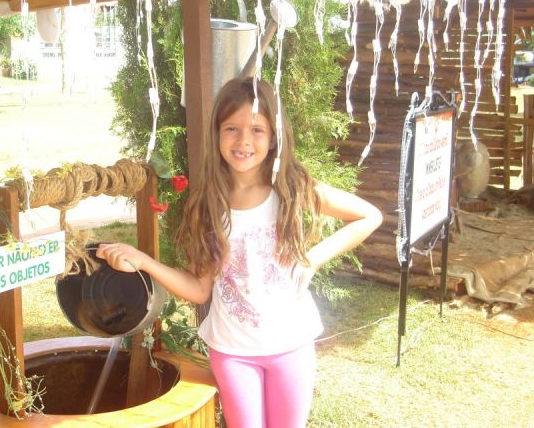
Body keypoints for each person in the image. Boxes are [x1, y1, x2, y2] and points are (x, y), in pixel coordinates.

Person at [97, 77, 383, 428]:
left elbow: (369, 216)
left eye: (257, 130)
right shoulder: (207, 205)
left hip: (291, 346)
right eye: (231, 128)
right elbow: (199, 289)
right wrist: (144, 262)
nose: (243, 140)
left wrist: (312, 260)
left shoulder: (292, 189)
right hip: (232, 354)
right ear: (217, 133)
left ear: (274, 137)